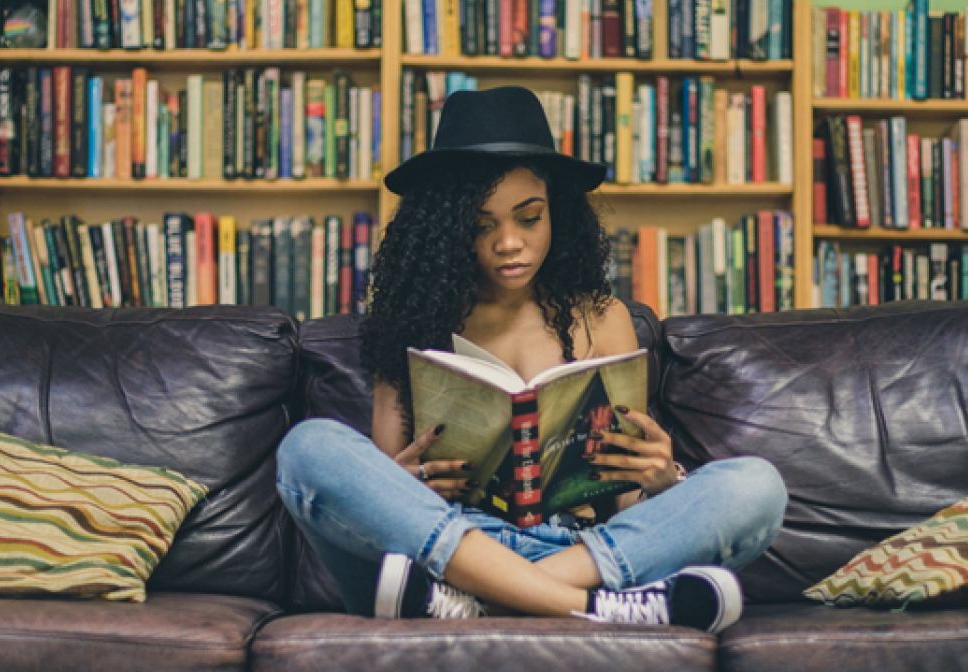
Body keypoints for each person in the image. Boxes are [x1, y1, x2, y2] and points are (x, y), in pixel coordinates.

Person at [275, 86, 787, 630]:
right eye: (481, 225)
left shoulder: (603, 317)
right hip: (445, 548)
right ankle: (594, 610)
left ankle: (493, 600)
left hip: (578, 550)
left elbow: (627, 508)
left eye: (529, 217)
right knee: (308, 449)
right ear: (448, 230)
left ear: (557, 215)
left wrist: (662, 480)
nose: (508, 243)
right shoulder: (409, 321)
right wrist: (402, 482)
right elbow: (381, 500)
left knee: (757, 486)